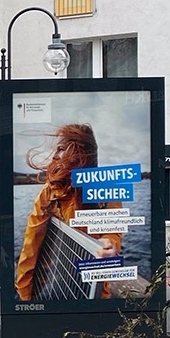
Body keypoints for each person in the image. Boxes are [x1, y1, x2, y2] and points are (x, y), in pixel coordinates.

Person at [14, 123, 122, 301]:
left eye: (61, 149)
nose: (54, 156)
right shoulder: (50, 192)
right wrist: (25, 297)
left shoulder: (106, 189)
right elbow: (31, 244)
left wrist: (109, 246)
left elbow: (114, 233)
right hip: (55, 285)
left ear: (78, 155)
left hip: (94, 292)